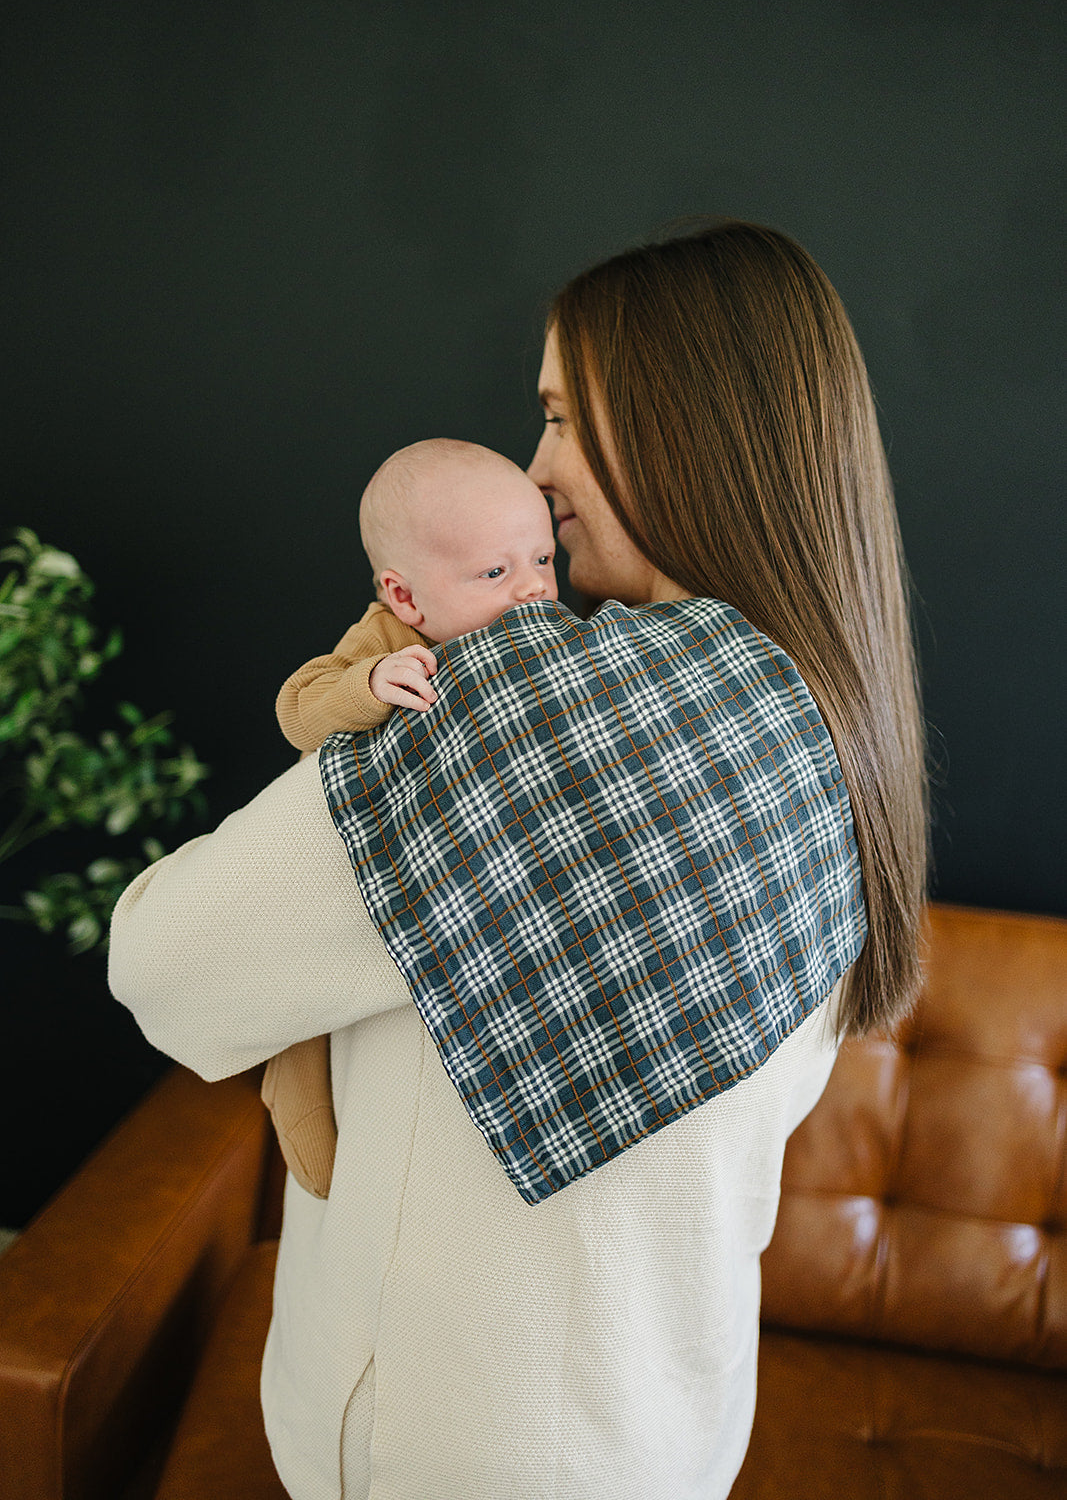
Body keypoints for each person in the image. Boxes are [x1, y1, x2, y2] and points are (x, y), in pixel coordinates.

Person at [109, 219, 927, 1500]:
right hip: (666, 1435)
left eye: (558, 419)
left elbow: (161, 961)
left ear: (681, 429)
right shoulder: (836, 726)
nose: (534, 470)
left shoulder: (519, 717)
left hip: (453, 1446)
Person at [265, 439, 558, 1199]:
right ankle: (293, 1103)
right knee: (300, 1008)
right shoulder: (387, 640)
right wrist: (369, 682)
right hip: (329, 859)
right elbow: (298, 710)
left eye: (542, 559)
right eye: (495, 572)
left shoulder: (536, 636)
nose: (531, 588)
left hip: (428, 879)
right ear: (404, 597)